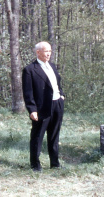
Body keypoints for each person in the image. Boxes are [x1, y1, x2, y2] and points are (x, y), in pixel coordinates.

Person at [22, 41, 65, 172]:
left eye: (50, 51)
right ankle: (35, 165)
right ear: (38, 52)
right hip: (41, 108)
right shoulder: (29, 70)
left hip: (57, 104)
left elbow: (57, 83)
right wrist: (32, 110)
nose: (48, 54)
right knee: (37, 136)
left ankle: (55, 163)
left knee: (54, 136)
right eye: (46, 51)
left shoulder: (52, 66)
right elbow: (28, 92)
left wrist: (61, 95)